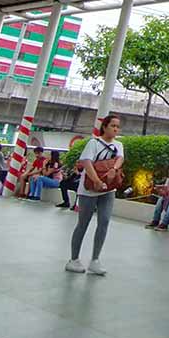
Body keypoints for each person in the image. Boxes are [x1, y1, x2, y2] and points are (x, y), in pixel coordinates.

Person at [67, 115, 122, 276]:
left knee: (104, 222)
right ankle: (73, 259)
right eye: (112, 125)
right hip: (89, 190)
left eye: (117, 126)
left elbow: (120, 158)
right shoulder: (93, 143)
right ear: (104, 127)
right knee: (83, 223)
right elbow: (86, 162)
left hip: (108, 190)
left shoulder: (118, 145)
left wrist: (114, 169)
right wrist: (96, 180)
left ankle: (95, 259)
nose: (115, 129)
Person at [146, 162, 169, 230]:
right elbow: (165, 194)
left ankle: (165, 223)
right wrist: (159, 190)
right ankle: (155, 220)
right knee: (161, 199)